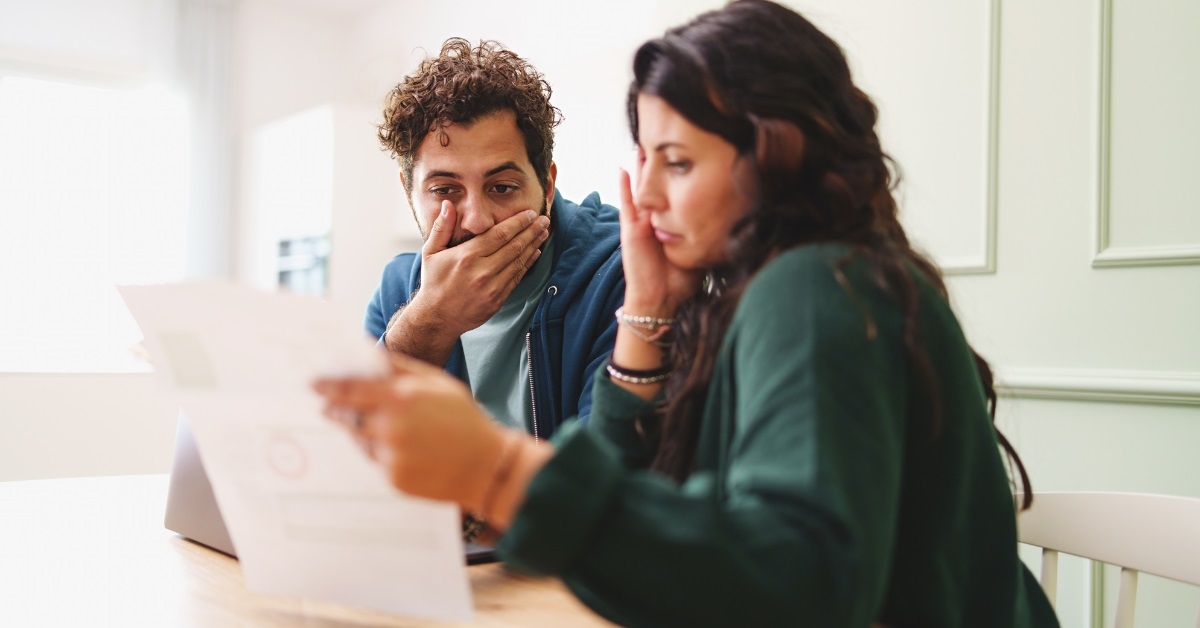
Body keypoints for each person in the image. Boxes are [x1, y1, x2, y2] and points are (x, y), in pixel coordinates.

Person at [318, 2, 1059, 626]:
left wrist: (498, 469)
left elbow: (802, 582)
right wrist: (645, 310)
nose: (642, 196)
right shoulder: (761, 289)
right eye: (646, 162)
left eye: (676, 162)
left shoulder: (815, 288)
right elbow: (655, 512)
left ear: (775, 155)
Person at [365, 38, 625, 438]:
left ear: (547, 185)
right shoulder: (399, 289)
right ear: (408, 193)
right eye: (445, 190)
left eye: (501, 187)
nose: (477, 221)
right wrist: (428, 321)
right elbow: (353, 456)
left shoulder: (617, 275)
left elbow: (605, 481)